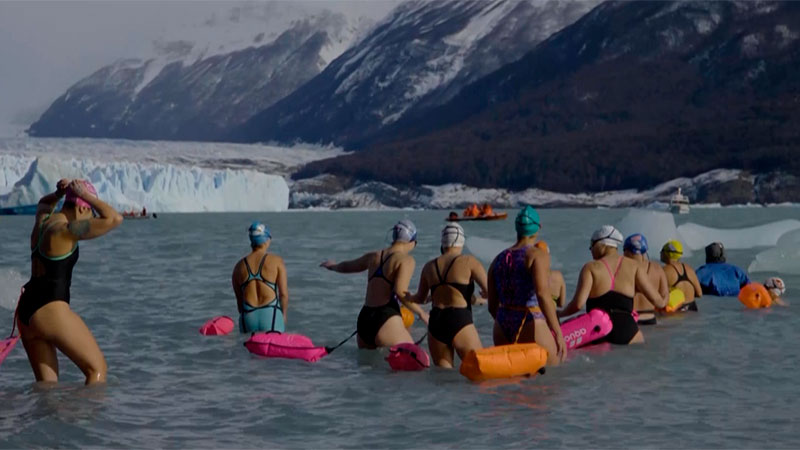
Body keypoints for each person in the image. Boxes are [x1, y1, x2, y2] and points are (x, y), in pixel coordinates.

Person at [17, 179, 123, 385]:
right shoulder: (65, 231)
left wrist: (59, 192)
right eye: (90, 211)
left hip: (26, 312)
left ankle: (43, 416)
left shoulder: (43, 221)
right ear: (82, 210)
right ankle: (88, 417)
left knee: (47, 388)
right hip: (50, 310)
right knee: (97, 369)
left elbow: (43, 203)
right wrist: (86, 195)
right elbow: (114, 219)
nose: (92, 216)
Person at [321, 220, 428, 349]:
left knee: (369, 367)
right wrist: (422, 314)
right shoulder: (406, 260)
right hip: (385, 317)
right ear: (412, 242)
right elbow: (400, 292)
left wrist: (333, 266)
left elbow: (347, 266)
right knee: (414, 362)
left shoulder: (373, 256)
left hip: (364, 320)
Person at [561, 226, 666, 345]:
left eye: (592, 244)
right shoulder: (634, 266)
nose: (590, 249)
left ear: (602, 244)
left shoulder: (590, 268)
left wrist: (559, 314)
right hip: (629, 331)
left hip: (597, 331)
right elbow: (659, 302)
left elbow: (577, 305)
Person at [488, 206, 566, 365]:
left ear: (517, 229)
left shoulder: (498, 259)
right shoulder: (537, 255)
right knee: (550, 381)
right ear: (537, 229)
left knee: (511, 383)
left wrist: (507, 317)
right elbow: (543, 294)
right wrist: (558, 333)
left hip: (502, 324)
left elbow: (491, 305)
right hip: (530, 320)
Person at [406, 223, 488, 368]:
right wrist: (486, 296)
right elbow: (491, 290)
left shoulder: (429, 266)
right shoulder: (469, 262)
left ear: (443, 243)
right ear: (461, 242)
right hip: (460, 320)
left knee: (444, 378)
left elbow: (420, 299)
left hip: (436, 322)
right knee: (479, 371)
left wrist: (409, 297)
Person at [231, 222, 288, 333]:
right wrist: (283, 315)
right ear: (266, 240)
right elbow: (283, 295)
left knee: (248, 349)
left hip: (248, 317)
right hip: (271, 315)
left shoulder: (238, 267)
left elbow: (239, 301)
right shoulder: (276, 261)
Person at [623, 233, 668, 325]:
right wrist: (661, 303)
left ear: (627, 251)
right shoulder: (657, 268)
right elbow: (665, 296)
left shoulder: (622, 270)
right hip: (650, 317)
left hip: (630, 319)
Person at [660, 240, 703, 311]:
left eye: (662, 250)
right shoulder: (690, 269)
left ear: (666, 253)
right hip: (692, 308)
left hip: (676, 311)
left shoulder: (664, 271)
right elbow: (699, 294)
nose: (660, 253)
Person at [534, 241, 566, 308]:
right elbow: (561, 304)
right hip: (551, 316)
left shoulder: (528, 277)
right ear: (548, 257)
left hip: (532, 316)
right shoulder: (558, 276)